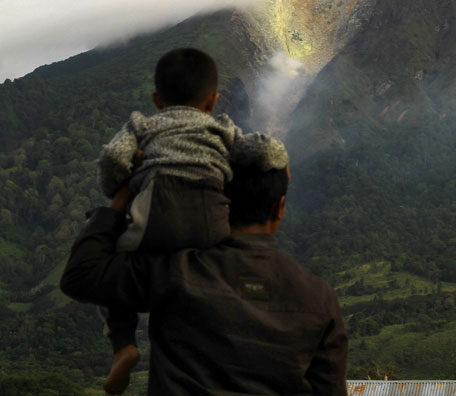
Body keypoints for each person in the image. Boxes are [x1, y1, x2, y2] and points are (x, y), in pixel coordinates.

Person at [60, 157, 349, 395]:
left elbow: (81, 276)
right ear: (280, 207)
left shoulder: (177, 270)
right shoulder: (320, 298)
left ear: (221, 203)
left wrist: (121, 199)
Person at [93, 47, 288, 393]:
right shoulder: (222, 129)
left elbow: (113, 156)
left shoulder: (142, 125)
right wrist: (279, 161)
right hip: (211, 222)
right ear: (212, 101)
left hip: (155, 215)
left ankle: (123, 345)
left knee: (111, 267)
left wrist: (116, 187)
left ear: (156, 98)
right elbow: (263, 150)